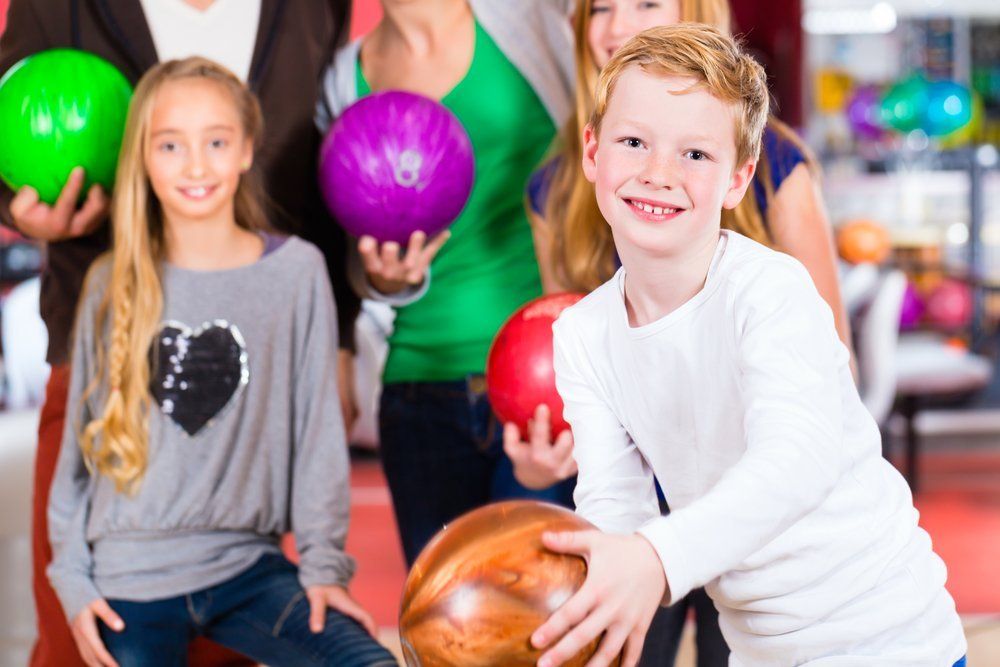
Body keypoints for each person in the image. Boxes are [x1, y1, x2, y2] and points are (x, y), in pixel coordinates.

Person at [527, 25, 967, 667]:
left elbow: (798, 461)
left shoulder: (770, 291)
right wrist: (589, 611)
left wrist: (656, 557)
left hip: (889, 642)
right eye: (633, 142)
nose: (658, 174)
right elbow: (614, 507)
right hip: (761, 651)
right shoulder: (582, 335)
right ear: (593, 152)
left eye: (695, 155)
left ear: (738, 180)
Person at [0, 2, 356, 664]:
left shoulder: (315, 6)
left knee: (228, 639)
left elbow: (323, 160)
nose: (195, 161)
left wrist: (340, 332)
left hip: (258, 347)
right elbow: (8, 123)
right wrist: (20, 203)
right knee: (75, 640)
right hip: (108, 344)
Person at [315, 0, 578, 568]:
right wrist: (386, 278)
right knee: (449, 634)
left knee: (542, 629)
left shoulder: (525, 21)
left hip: (545, 379)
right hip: (419, 387)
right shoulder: (342, 77)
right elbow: (353, 260)